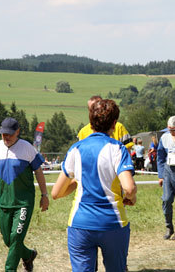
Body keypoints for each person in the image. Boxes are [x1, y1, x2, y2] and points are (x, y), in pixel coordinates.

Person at [52, 99, 137, 272]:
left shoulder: (75, 149)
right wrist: (130, 198)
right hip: (113, 223)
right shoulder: (118, 149)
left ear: (90, 123)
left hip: (80, 223)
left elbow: (56, 193)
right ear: (114, 124)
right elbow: (129, 188)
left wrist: (77, 183)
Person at [0, 117, 49, 272]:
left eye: (10, 134)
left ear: (17, 132)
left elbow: (38, 171)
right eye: (3, 134)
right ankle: (28, 255)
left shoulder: (27, 148)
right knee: (9, 240)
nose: (6, 137)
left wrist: (44, 195)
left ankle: (9, 269)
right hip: (5, 202)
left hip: (24, 202)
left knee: (16, 238)